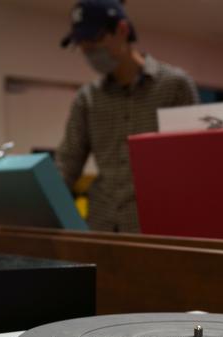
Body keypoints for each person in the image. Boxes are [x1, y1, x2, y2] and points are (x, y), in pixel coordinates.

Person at [57, 0, 199, 233]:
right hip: (101, 226)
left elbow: (191, 165)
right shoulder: (87, 98)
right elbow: (67, 163)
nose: (87, 50)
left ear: (122, 30)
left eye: (93, 40)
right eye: (81, 44)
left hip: (155, 228)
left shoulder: (175, 86)